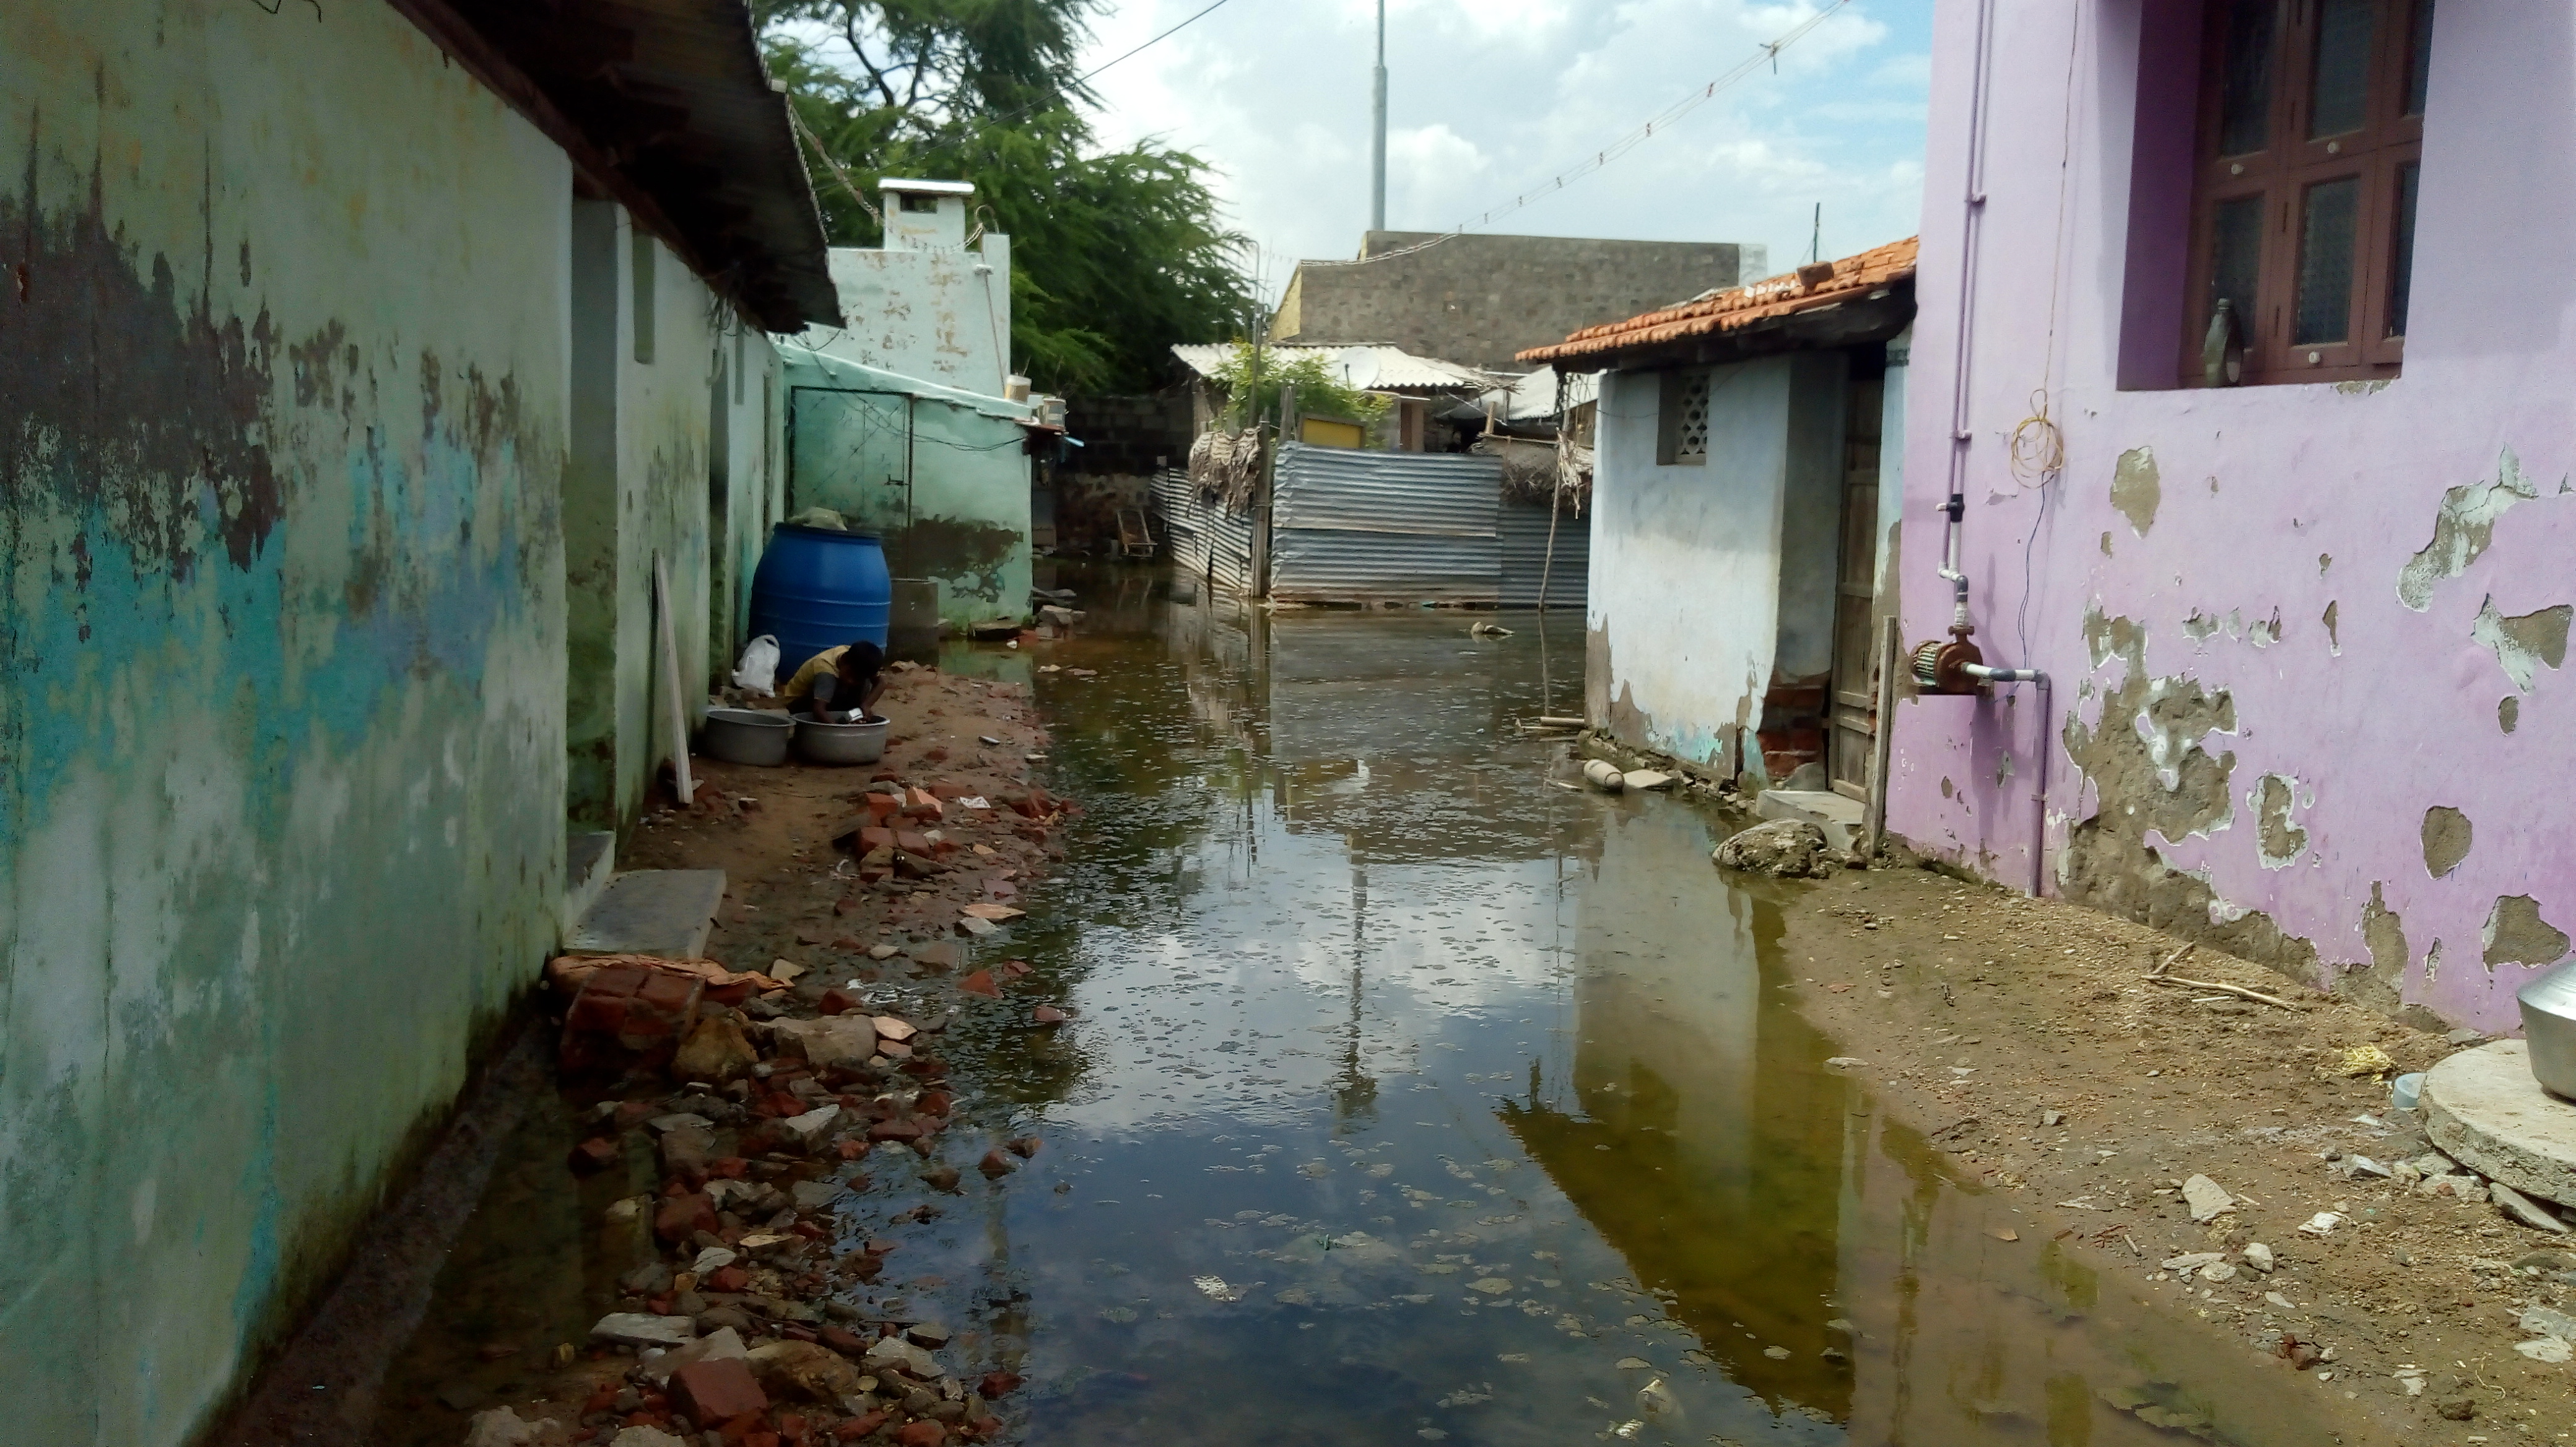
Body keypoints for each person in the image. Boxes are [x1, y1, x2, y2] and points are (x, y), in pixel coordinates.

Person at [781, 639, 884, 723]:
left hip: (828, 697)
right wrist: (838, 730)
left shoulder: (856, 659)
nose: (851, 682)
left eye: (857, 679)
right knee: (832, 684)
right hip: (799, 704)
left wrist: (866, 705)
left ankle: (850, 717)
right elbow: (818, 709)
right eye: (850, 675)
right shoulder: (826, 670)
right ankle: (837, 721)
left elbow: (881, 683)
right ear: (843, 661)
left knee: (865, 682)